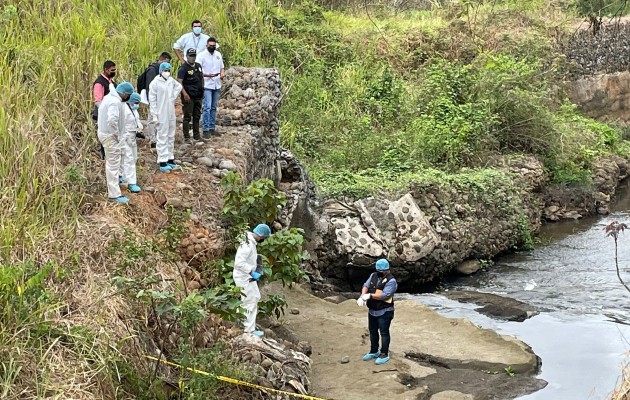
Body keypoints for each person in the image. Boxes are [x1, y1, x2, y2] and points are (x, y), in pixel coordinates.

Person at [97, 81, 135, 203]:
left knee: (115, 161)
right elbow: (112, 121)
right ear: (124, 94)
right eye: (128, 95)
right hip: (110, 136)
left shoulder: (108, 98)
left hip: (106, 133)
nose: (128, 97)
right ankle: (114, 194)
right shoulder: (114, 102)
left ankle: (117, 182)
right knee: (112, 164)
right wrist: (117, 135)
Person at [233, 224, 272, 337]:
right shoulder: (248, 244)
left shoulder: (250, 242)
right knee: (249, 301)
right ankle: (248, 330)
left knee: (254, 297)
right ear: (261, 235)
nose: (264, 240)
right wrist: (251, 271)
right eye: (264, 237)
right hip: (244, 277)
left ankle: (244, 324)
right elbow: (239, 263)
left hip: (247, 277)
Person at [359, 258, 397, 365]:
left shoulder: (391, 281)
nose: (379, 272)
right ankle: (374, 351)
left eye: (381, 271)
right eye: (378, 270)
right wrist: (363, 296)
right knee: (373, 331)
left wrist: (370, 295)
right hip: (372, 310)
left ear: (386, 270)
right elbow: (366, 285)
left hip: (385, 311)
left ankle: (384, 353)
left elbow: (385, 295)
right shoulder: (373, 275)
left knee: (384, 332)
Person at [148, 62, 182, 172]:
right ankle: (162, 161)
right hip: (160, 112)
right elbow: (152, 100)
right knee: (162, 136)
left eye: (168, 70)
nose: (167, 72)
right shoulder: (155, 83)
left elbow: (179, 86)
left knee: (171, 134)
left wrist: (173, 97)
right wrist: (154, 115)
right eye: (165, 70)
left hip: (170, 111)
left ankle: (170, 158)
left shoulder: (171, 81)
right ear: (161, 71)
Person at [139, 52, 172, 150]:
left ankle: (157, 137)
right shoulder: (153, 70)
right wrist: (152, 100)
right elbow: (150, 86)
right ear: (162, 59)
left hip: (160, 99)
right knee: (152, 119)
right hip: (154, 99)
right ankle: (152, 139)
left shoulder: (159, 70)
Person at [198, 37, 224, 140]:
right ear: (206, 45)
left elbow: (222, 67)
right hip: (206, 83)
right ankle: (206, 129)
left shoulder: (218, 55)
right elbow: (197, 70)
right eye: (210, 46)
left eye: (214, 46)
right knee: (207, 107)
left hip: (216, 83)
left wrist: (222, 73)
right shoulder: (201, 56)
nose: (212, 47)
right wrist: (205, 75)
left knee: (213, 107)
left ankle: (212, 127)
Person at [177, 48, 204, 143]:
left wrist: (202, 91)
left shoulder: (198, 66)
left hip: (198, 95)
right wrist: (184, 94)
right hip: (188, 97)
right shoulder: (183, 69)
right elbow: (179, 83)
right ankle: (187, 137)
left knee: (197, 116)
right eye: (190, 56)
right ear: (187, 56)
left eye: (194, 55)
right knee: (187, 116)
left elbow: (201, 78)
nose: (192, 58)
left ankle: (197, 136)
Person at [92, 60, 117, 159]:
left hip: (110, 113)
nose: (114, 72)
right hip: (103, 114)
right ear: (106, 70)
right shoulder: (99, 83)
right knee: (105, 135)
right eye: (112, 70)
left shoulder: (110, 81)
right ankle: (105, 157)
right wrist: (106, 111)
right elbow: (98, 101)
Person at [120, 92, 143, 193]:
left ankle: (125, 177)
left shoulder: (133, 110)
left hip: (132, 136)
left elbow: (136, 120)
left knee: (133, 158)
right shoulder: (124, 109)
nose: (137, 105)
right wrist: (125, 137)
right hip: (125, 137)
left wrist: (139, 128)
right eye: (136, 102)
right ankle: (130, 182)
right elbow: (121, 124)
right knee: (128, 159)